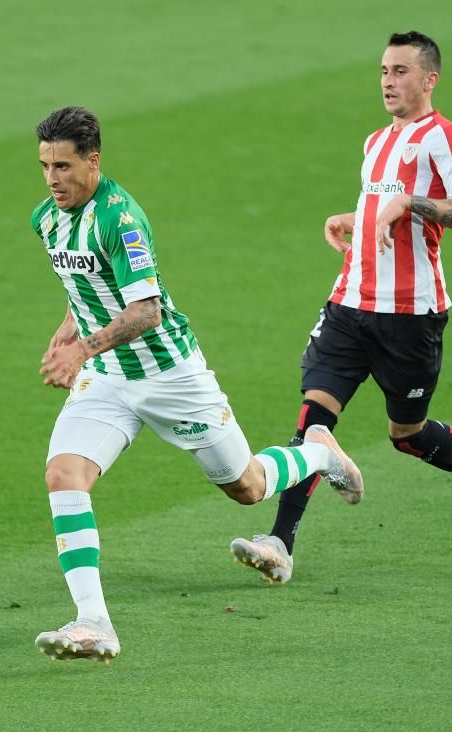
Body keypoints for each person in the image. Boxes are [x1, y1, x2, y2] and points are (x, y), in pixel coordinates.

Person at [30, 107, 364, 664]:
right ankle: (94, 622)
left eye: (63, 166)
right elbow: (83, 281)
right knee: (64, 475)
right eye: (44, 166)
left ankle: (318, 453)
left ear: (93, 161)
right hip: (108, 378)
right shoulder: (46, 218)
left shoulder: (121, 219)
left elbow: (147, 311)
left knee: (247, 487)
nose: (52, 178)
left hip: (170, 376)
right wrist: (68, 330)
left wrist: (81, 348)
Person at [231, 31, 452, 587]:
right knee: (314, 421)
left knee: (407, 434)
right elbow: (381, 206)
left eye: (401, 71)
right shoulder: (375, 142)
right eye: (384, 70)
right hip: (349, 302)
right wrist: (354, 219)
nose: (388, 81)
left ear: (430, 79)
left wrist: (410, 202)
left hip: (410, 314)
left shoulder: (446, 137)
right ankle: (280, 544)